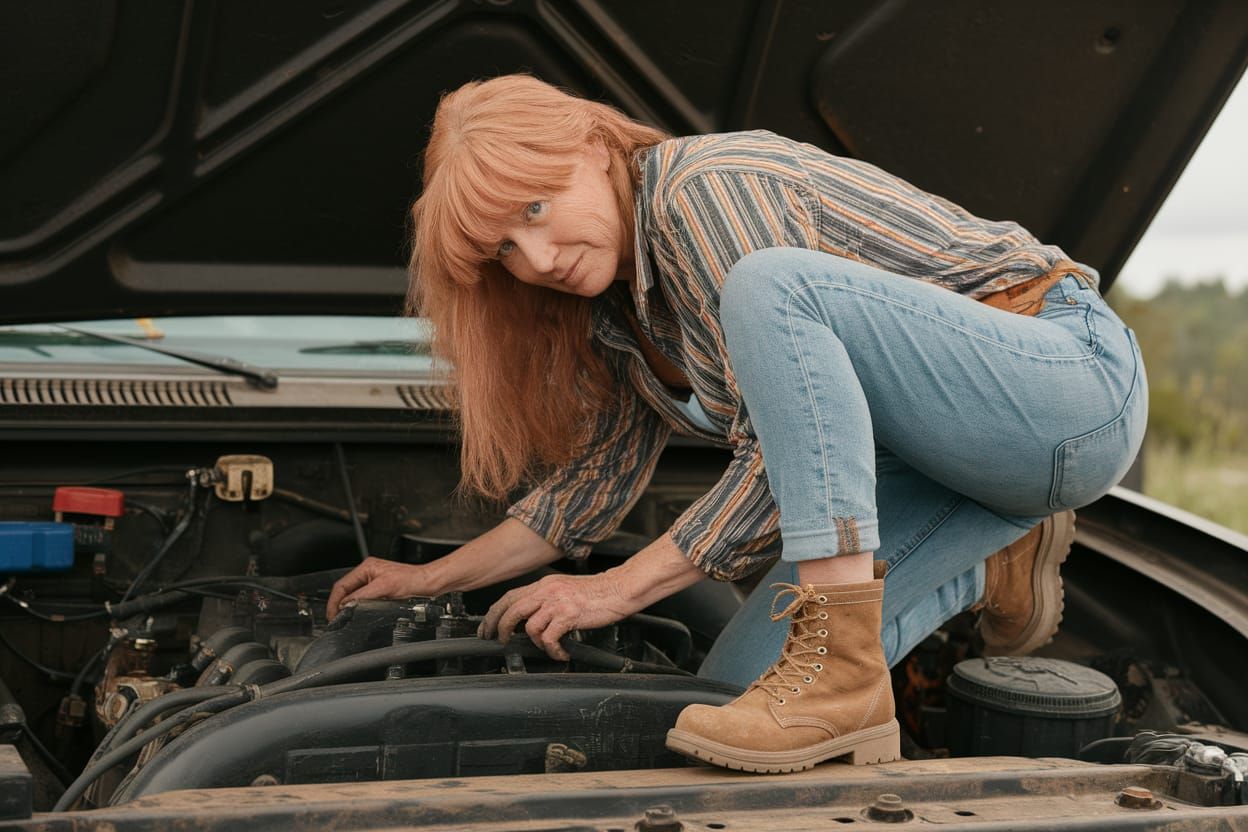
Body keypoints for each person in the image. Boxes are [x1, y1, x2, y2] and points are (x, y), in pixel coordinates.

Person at [327, 75, 1147, 773]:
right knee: (731, 710)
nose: (535, 259)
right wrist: (431, 580)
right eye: (504, 248)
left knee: (769, 287)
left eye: (535, 208)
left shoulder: (706, 191)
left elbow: (774, 457)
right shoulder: (620, 312)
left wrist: (614, 589)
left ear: (594, 148)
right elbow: (588, 493)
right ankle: (992, 559)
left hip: (1062, 383)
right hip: (936, 466)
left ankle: (848, 666)